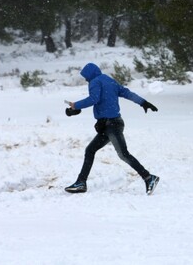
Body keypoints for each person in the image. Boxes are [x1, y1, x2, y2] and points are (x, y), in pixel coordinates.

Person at [64, 62, 160, 195]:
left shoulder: (95, 81)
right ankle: (81, 182)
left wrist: (75, 105)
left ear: (90, 74)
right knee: (90, 150)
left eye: (86, 76)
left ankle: (149, 178)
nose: (86, 79)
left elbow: (94, 99)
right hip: (109, 124)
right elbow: (126, 93)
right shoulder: (109, 80)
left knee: (123, 154)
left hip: (112, 126)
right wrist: (143, 102)